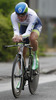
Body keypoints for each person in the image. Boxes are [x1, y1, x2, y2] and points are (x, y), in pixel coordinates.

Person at [11, 2, 42, 73]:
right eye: (18, 15)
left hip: (35, 26)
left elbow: (28, 33)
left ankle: (35, 57)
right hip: (24, 27)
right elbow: (16, 30)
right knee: (21, 50)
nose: (20, 17)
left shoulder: (32, 15)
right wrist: (15, 36)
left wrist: (21, 36)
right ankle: (21, 72)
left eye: (22, 15)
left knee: (32, 38)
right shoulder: (13, 16)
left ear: (27, 13)